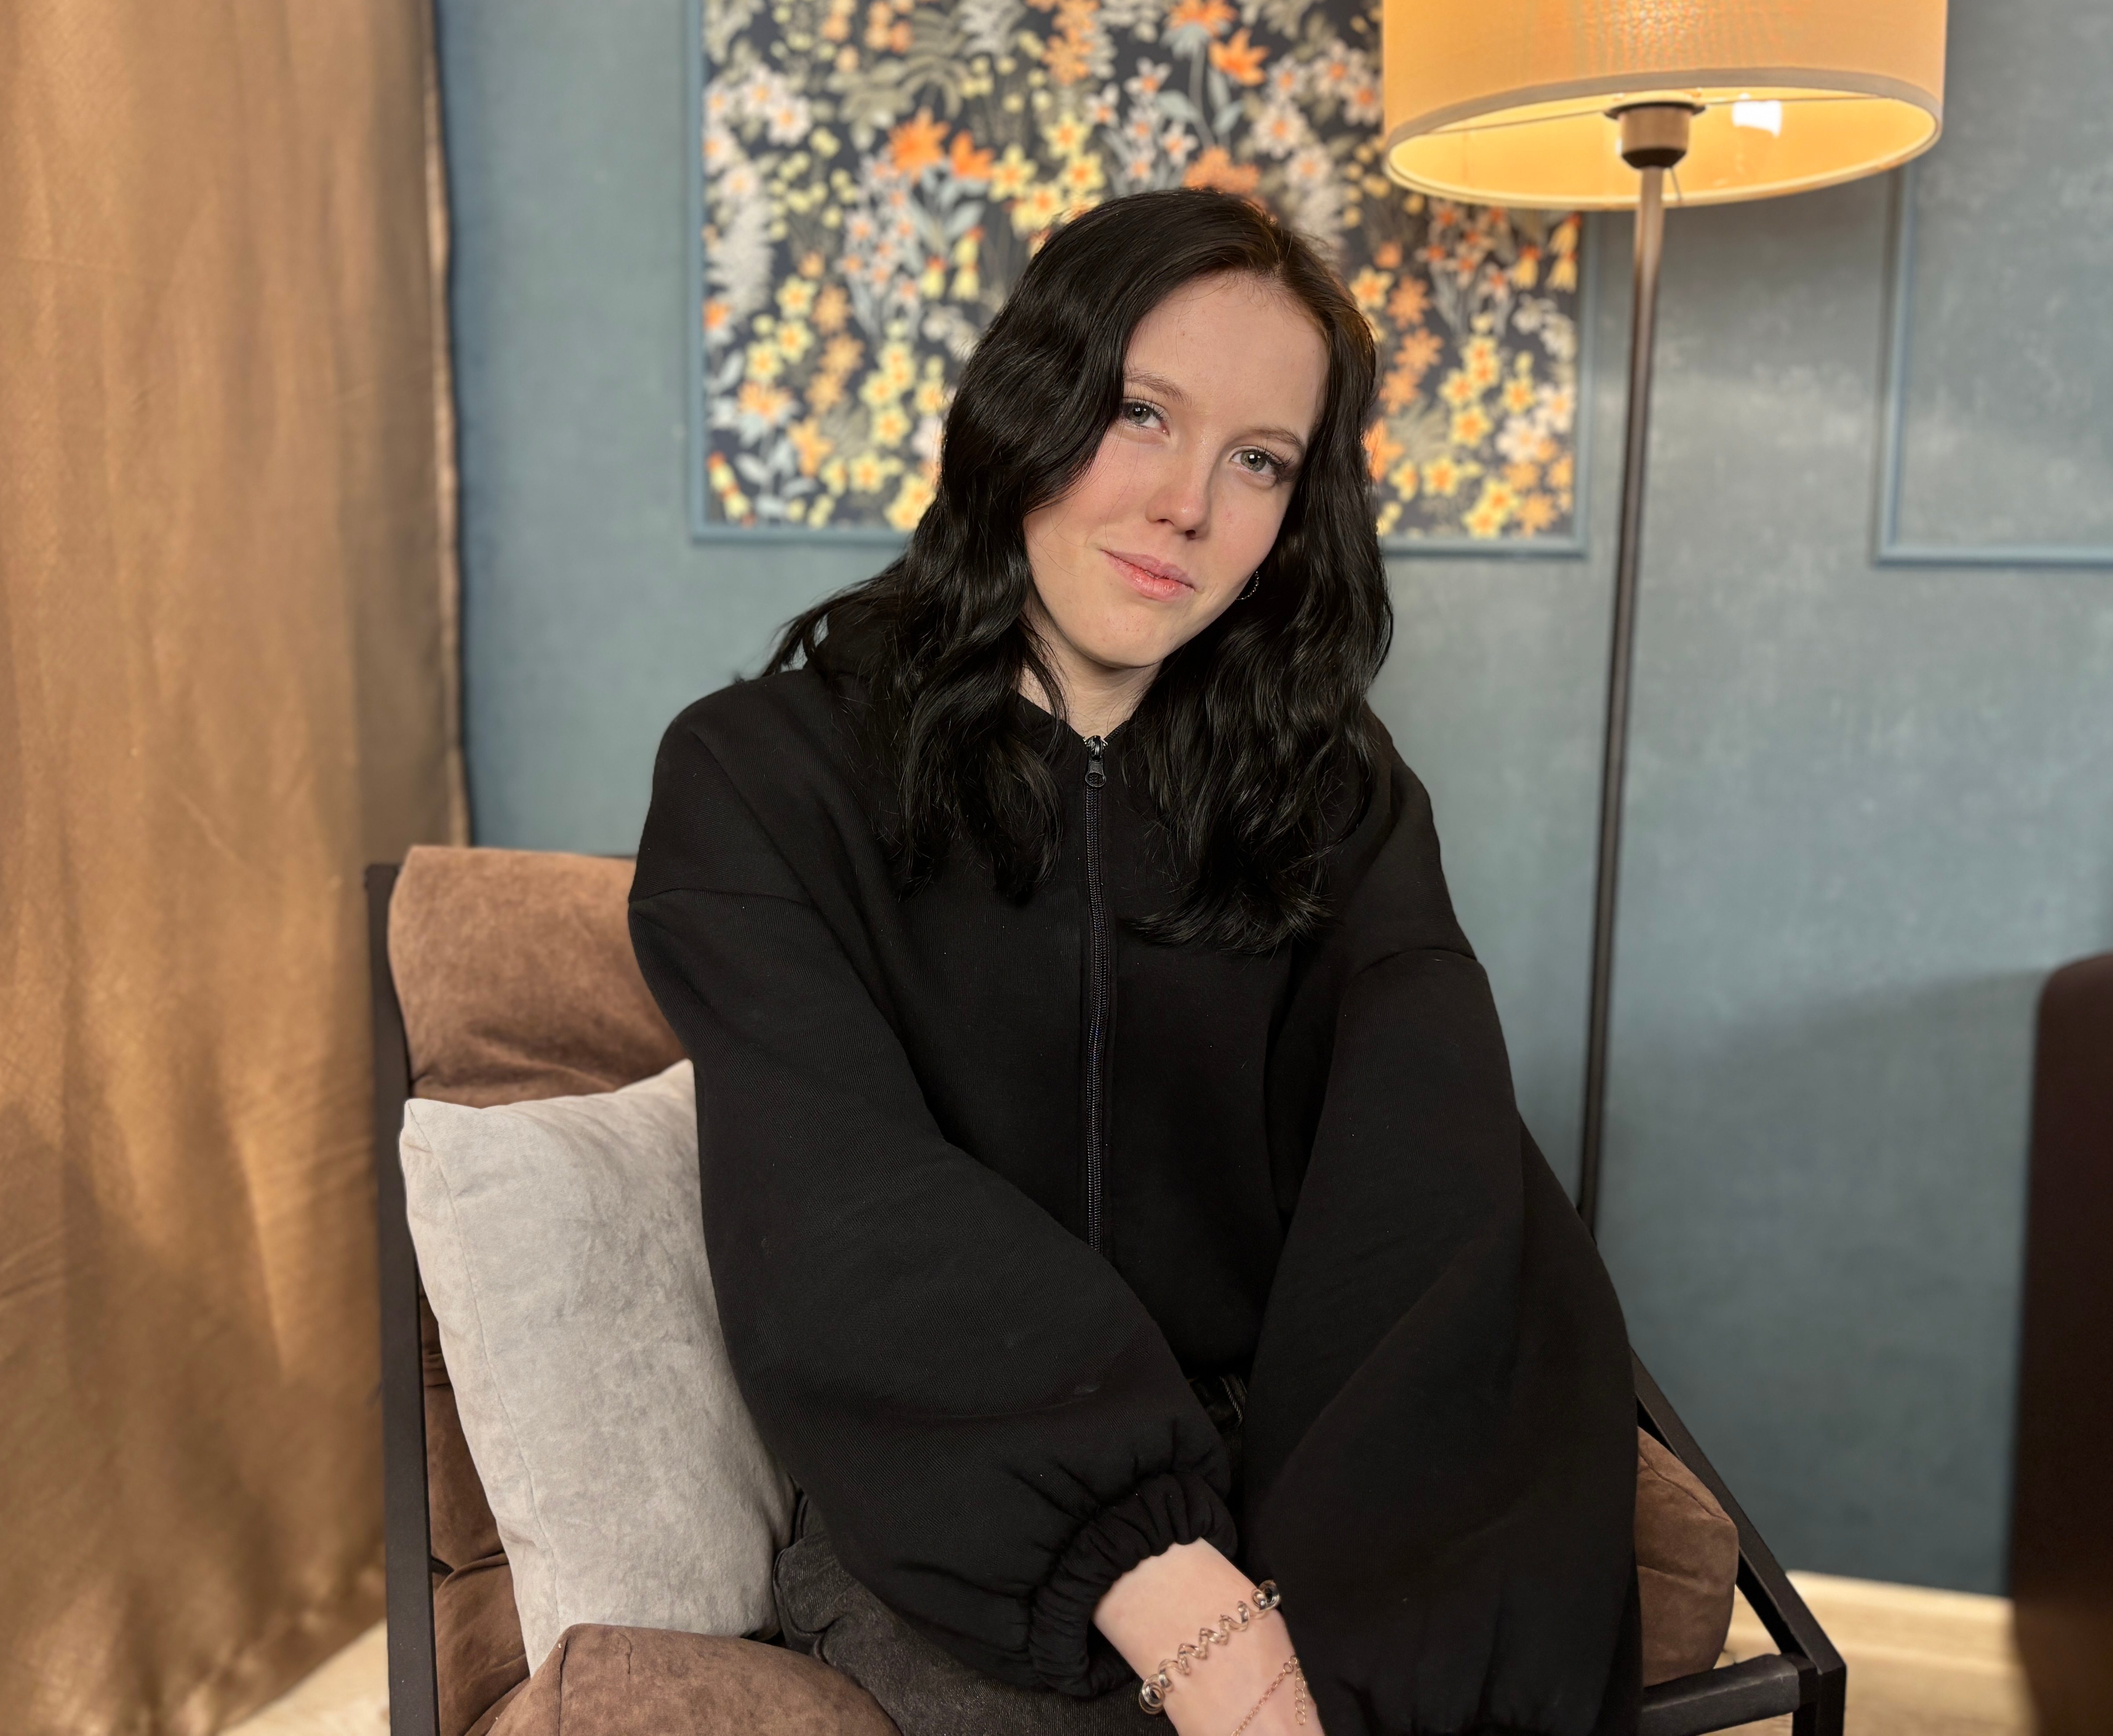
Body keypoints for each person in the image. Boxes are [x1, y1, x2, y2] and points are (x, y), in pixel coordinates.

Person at [629, 188, 1641, 1736]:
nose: (1186, 507)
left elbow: (1428, 1180)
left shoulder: (1342, 801)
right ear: (1031, 406)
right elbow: (841, 1209)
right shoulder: (761, 778)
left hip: (1298, 1468)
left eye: (1259, 461)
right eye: (1140, 413)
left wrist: (1367, 1603)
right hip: (963, 1502)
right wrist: (1163, 1580)